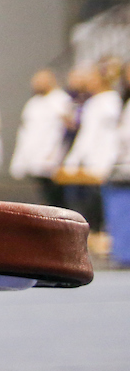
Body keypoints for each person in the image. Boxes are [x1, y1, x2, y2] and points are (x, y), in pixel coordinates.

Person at [59, 62, 123, 242]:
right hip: (92, 161)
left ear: (101, 80)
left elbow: (102, 136)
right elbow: (87, 135)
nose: (88, 82)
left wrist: (108, 158)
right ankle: (91, 234)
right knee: (84, 200)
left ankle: (100, 234)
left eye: (92, 78)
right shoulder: (95, 102)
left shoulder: (111, 101)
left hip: (103, 160)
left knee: (97, 202)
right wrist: (74, 159)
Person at [9, 69, 72, 207]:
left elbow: (66, 131)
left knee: (58, 197)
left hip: (54, 158)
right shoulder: (33, 104)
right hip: (35, 155)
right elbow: (25, 132)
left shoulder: (61, 100)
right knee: (44, 195)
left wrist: (57, 155)